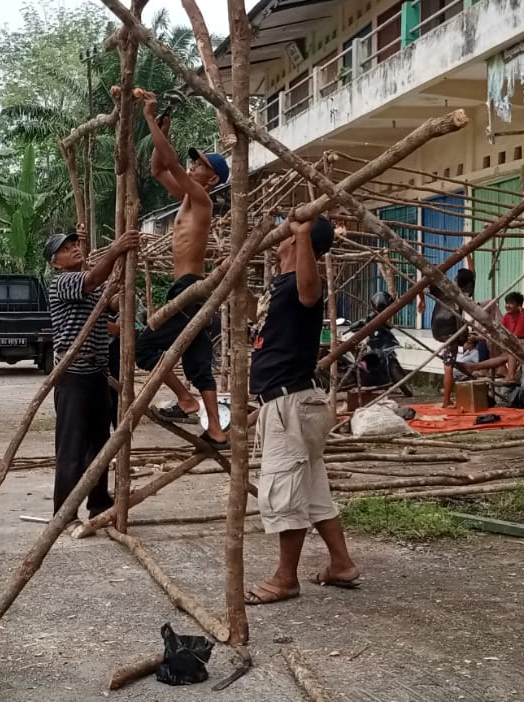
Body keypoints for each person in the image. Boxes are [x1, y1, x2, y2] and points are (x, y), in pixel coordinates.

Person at [244, 215, 358, 605]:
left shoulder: (301, 283)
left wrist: (304, 233)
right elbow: (257, 321)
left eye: (287, 233)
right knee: (311, 489)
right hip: (289, 402)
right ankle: (341, 562)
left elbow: (311, 293)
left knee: (284, 490)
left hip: (289, 402)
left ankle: (284, 578)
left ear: (298, 243)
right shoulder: (280, 286)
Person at [132, 91, 230, 449]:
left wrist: (148, 120)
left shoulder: (202, 198)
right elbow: (159, 168)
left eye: (201, 165)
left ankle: (187, 400)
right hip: (192, 288)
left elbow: (170, 162)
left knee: (144, 349)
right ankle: (216, 429)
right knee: (198, 360)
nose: (193, 167)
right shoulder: (189, 197)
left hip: (188, 286)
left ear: (212, 179)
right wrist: (163, 130)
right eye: (195, 163)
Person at [44, 225, 140, 524]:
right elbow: (94, 278)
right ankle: (64, 511)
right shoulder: (62, 282)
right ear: (54, 263)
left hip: (97, 372)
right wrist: (117, 249)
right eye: (65, 248)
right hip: (73, 374)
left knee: (100, 442)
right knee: (72, 446)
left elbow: (109, 298)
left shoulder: (87, 284)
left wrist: (122, 287)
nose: (73, 248)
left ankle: (98, 503)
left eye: (75, 244)